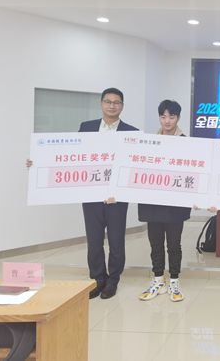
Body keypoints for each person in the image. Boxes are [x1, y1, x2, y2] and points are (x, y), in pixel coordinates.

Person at [79, 88, 138, 299]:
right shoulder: (86, 128)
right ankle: (97, 279)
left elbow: (133, 165)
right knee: (94, 241)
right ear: (101, 103)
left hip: (117, 197)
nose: (112, 106)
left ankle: (113, 280)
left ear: (122, 106)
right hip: (92, 194)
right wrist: (37, 161)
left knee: (116, 241)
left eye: (116, 102)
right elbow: (72, 156)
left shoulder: (132, 132)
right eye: (108, 101)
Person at [137, 100, 190, 302]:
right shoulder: (149, 142)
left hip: (175, 203)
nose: (167, 121)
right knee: (155, 243)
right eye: (163, 116)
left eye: (171, 117)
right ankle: (158, 279)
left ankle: (174, 280)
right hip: (153, 202)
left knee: (174, 244)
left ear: (178, 118)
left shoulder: (187, 143)